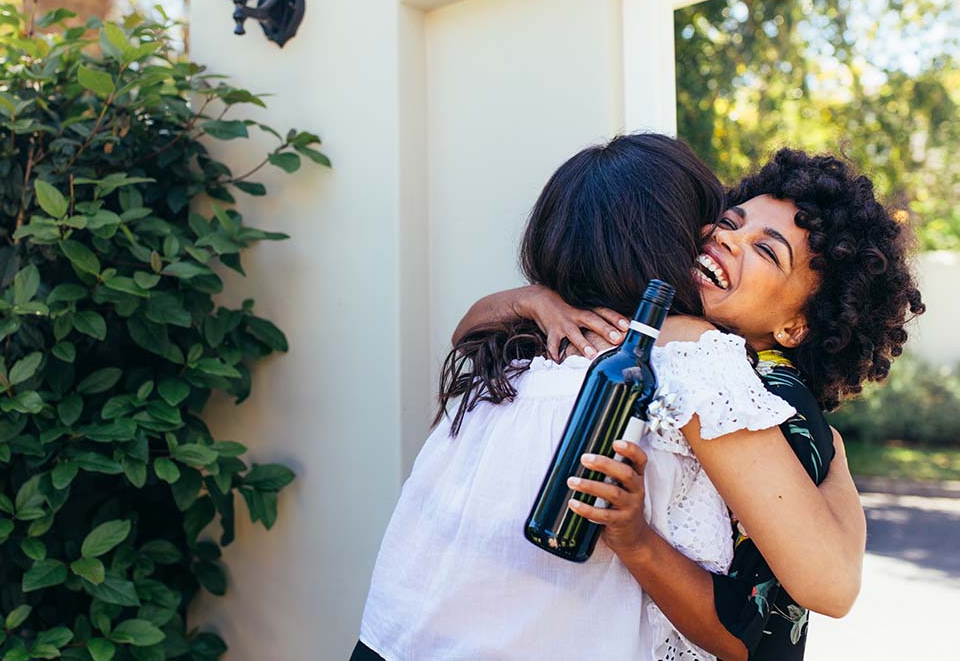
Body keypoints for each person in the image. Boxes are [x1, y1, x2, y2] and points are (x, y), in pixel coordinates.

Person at [350, 136, 871, 661]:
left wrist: (531, 300)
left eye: (765, 248)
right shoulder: (693, 358)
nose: (728, 240)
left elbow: (467, 326)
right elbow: (828, 587)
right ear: (677, 236)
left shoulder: (522, 353)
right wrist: (838, 460)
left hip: (390, 640)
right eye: (727, 223)